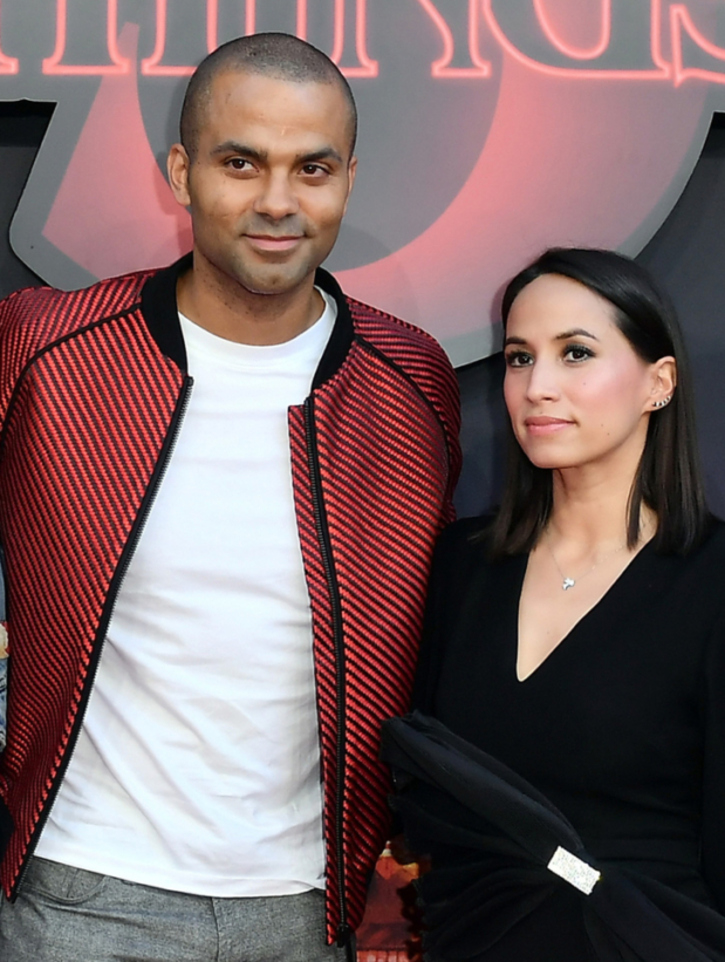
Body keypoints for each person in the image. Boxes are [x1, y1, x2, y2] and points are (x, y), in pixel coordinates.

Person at [0, 32, 461, 962]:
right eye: (241, 163)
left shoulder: (411, 381)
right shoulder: (46, 350)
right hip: (80, 897)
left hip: (303, 908)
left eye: (313, 168)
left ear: (350, 178)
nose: (278, 202)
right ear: (181, 170)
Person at [383, 248, 725, 961]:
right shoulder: (461, 566)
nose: (538, 385)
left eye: (575, 353)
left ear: (657, 383)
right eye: (519, 358)